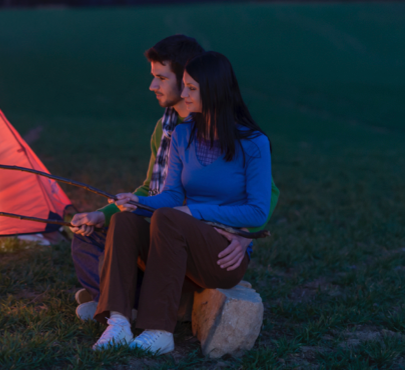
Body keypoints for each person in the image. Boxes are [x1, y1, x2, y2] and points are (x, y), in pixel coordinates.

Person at [70, 36, 277, 320]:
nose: (152, 86)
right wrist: (102, 213)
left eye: (161, 78)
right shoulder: (167, 129)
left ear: (187, 80)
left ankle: (124, 299)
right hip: (158, 217)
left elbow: (266, 197)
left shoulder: (236, 136)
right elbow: (151, 187)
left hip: (192, 231)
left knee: (161, 227)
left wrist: (243, 235)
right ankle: (121, 302)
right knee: (89, 235)